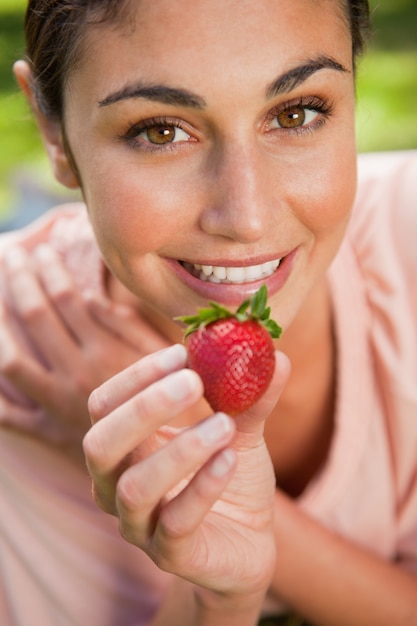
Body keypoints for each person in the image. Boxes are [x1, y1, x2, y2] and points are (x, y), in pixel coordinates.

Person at [0, 0, 416, 624]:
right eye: (160, 131)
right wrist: (218, 597)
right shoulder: (17, 359)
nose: (245, 216)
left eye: (296, 113)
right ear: (53, 128)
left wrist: (274, 533)